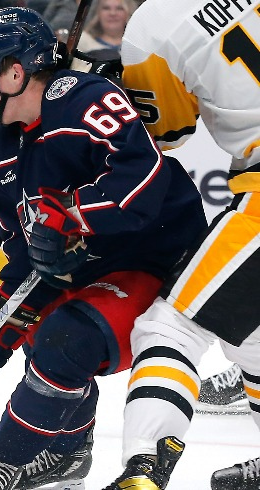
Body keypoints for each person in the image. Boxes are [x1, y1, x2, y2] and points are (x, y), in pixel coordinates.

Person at [0, 7, 206, 489]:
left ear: (15, 71)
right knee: (37, 330)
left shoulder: (86, 101)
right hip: (94, 270)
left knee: (67, 338)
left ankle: (5, 463)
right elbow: (28, 263)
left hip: (160, 260)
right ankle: (65, 454)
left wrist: (70, 215)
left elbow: (140, 185)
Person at [104, 0, 260, 487]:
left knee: (172, 328)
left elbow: (164, 131)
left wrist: (116, 86)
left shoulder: (153, 26)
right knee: (251, 340)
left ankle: (143, 468)